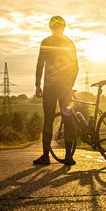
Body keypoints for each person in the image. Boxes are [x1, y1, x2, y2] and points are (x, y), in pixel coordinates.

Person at [33, 16, 79, 166]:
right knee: (68, 121)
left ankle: (46, 157)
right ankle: (68, 157)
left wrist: (37, 84)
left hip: (49, 87)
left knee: (48, 121)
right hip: (64, 88)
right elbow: (76, 66)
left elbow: (40, 64)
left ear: (50, 28)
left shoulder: (46, 42)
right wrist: (70, 84)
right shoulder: (69, 42)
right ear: (63, 27)